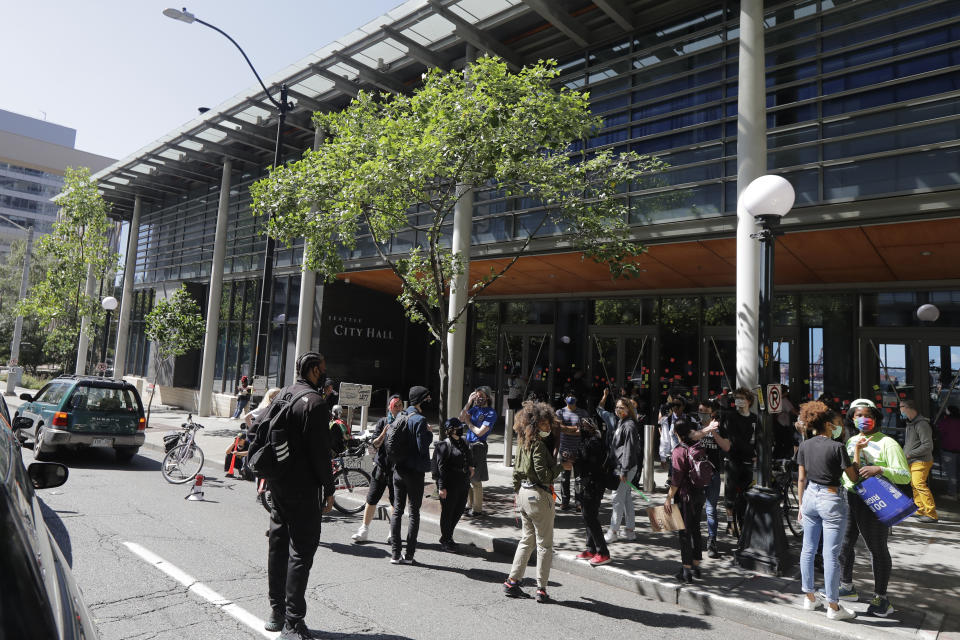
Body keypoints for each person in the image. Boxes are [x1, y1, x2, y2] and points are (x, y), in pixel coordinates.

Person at [263, 352, 335, 640]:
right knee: (301, 552)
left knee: (278, 545)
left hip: (277, 483)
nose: (325, 375)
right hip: (304, 488)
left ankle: (276, 612)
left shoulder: (284, 394)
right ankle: (294, 622)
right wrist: (329, 488)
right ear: (315, 370)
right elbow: (320, 454)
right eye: (323, 370)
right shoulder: (316, 403)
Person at [838, 399, 910, 618]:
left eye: (867, 415)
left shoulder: (888, 443)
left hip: (876, 500)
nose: (863, 419)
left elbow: (905, 475)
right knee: (844, 544)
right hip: (851, 498)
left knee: (876, 548)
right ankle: (846, 586)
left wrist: (880, 469)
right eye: (857, 415)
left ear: (876, 418)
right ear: (851, 418)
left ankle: (881, 598)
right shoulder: (850, 442)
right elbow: (845, 469)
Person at [795, 401, 859, 621]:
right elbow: (853, 477)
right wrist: (857, 453)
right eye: (836, 424)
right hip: (831, 498)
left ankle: (810, 597)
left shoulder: (805, 445)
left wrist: (801, 506)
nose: (838, 426)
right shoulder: (837, 448)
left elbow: (801, 478)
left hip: (810, 496)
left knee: (808, 549)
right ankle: (833, 605)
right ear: (830, 425)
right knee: (830, 554)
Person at [503, 401, 566, 603]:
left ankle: (512, 581)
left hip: (523, 494)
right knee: (544, 545)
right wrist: (562, 467)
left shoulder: (523, 443)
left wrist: (517, 493)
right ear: (536, 424)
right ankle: (542, 589)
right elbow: (545, 476)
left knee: (526, 540)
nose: (549, 428)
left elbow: (516, 473)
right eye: (546, 424)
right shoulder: (537, 445)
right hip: (538, 496)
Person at [390, 385, 434, 564]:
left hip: (398, 470)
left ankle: (394, 554)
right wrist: (429, 434)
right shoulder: (420, 420)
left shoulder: (400, 415)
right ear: (422, 400)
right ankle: (409, 556)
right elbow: (423, 449)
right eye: (427, 398)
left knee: (397, 510)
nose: (429, 401)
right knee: (414, 512)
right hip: (414, 472)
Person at [352, 394, 402, 543]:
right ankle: (364, 530)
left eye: (400, 405)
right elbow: (374, 444)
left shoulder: (404, 422)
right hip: (381, 467)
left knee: (395, 502)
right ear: (389, 407)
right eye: (395, 405)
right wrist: (383, 433)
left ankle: (392, 532)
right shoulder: (383, 422)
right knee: (372, 498)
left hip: (396, 469)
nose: (398, 408)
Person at [664, 418, 707, 583]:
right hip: (699, 493)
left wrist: (668, 498)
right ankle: (696, 564)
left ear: (676, 433)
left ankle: (686, 570)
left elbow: (676, 480)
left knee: (684, 533)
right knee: (696, 529)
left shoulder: (678, 451)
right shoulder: (698, 446)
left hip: (685, 496)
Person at [694, 399, 730, 558]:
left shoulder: (720, 426)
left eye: (705, 411)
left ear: (713, 413)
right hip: (695, 473)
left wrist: (713, 430)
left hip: (713, 472)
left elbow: (726, 446)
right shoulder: (695, 424)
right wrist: (705, 428)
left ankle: (712, 540)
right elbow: (692, 438)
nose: (702, 414)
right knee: (695, 507)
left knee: (710, 508)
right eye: (700, 410)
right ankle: (694, 538)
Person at [720, 387, 758, 537]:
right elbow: (731, 438)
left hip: (748, 461)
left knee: (745, 495)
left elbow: (759, 438)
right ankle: (730, 523)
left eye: (742, 398)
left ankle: (742, 523)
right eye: (737, 398)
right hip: (733, 460)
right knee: (729, 496)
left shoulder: (755, 419)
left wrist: (757, 454)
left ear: (749, 400)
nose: (739, 401)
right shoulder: (730, 417)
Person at [432, 417, 474, 552]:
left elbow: (468, 457)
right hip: (450, 483)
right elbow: (441, 468)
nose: (461, 429)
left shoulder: (464, 442)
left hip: (463, 482)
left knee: (459, 510)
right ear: (451, 430)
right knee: (448, 512)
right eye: (458, 428)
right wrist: (441, 487)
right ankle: (445, 539)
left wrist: (471, 467)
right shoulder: (444, 445)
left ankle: (448, 536)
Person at [573, 418, 610, 566]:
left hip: (594, 484)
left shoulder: (594, 442)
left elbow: (592, 464)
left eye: (582, 426)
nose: (579, 429)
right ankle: (591, 548)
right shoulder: (586, 441)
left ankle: (603, 552)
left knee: (590, 516)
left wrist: (577, 460)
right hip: (587, 483)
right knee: (587, 515)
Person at [605, 398, 639, 543]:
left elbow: (629, 450)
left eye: (622, 407)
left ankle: (613, 531)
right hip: (622, 466)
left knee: (617, 498)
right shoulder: (622, 422)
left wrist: (624, 470)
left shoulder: (629, 425)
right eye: (617, 407)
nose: (618, 410)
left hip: (625, 468)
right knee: (625, 498)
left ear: (628, 408)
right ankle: (630, 531)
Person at [459, 386, 496, 517]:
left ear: (487, 397)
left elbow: (480, 432)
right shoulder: (474, 408)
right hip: (468, 444)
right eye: (476, 395)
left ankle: (477, 509)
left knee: (475, 479)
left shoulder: (490, 413)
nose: (478, 398)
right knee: (467, 477)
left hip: (478, 447)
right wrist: (469, 402)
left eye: (481, 395)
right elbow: (461, 418)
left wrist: (469, 423)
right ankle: (470, 505)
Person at [900, 398, 938, 522]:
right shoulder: (911, 423)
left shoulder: (921, 424)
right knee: (915, 485)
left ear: (909, 408)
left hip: (921, 461)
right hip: (913, 461)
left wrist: (909, 454)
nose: (900, 410)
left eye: (901, 407)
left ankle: (931, 514)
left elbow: (928, 446)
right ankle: (920, 509)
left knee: (919, 484)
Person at [555, 393, 589, 510]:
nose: (570, 399)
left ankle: (578, 502)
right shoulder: (560, 412)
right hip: (564, 449)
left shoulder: (583, 413)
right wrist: (575, 429)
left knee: (579, 478)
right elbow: (560, 428)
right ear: (565, 400)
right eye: (568, 396)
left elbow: (583, 431)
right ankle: (565, 501)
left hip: (579, 449)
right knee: (565, 477)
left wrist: (567, 429)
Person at [937, 405, 960, 498]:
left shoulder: (946, 421)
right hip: (958, 450)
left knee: (951, 473)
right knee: (958, 472)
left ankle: (952, 492)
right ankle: (957, 490)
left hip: (948, 450)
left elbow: (939, 430)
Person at [658, 399, 684, 473]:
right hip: (674, 455)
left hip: (687, 454)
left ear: (683, 407)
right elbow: (664, 439)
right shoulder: (667, 420)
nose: (675, 408)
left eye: (678, 405)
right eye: (673, 405)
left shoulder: (689, 419)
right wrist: (663, 457)